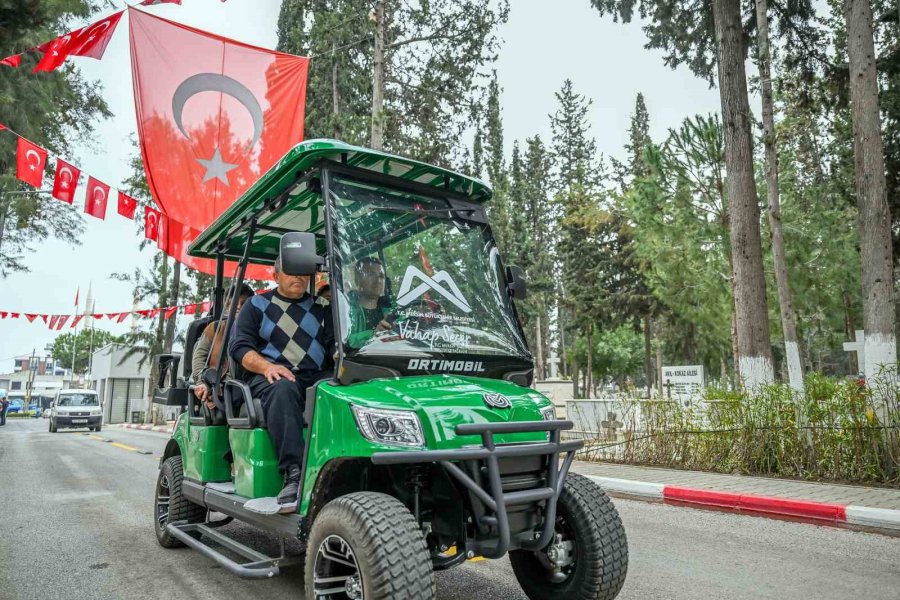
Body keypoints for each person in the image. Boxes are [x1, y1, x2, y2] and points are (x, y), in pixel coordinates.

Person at [228, 254, 334, 512]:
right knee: (282, 388)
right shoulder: (256, 305)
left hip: (315, 374)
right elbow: (240, 347)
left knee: (342, 388)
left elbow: (334, 347)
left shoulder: (324, 307)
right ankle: (294, 474)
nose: (297, 276)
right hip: (270, 375)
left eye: (302, 272)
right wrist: (267, 366)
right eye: (290, 271)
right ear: (275, 276)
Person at [192, 284, 255, 407]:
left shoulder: (259, 331)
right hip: (219, 386)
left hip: (250, 384)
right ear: (227, 307)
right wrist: (203, 382)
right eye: (234, 303)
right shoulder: (215, 329)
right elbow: (199, 358)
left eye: (243, 304)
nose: (239, 307)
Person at [346, 257, 393, 347]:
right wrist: (374, 335)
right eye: (371, 275)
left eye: (381, 276)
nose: (378, 280)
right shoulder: (346, 309)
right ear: (357, 280)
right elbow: (346, 342)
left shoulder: (391, 308)